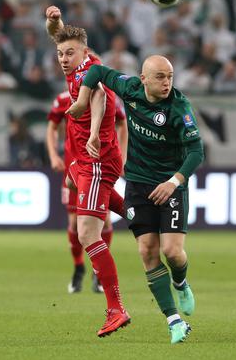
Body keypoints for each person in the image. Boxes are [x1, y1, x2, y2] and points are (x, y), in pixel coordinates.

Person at [67, 55, 204, 344]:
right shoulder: (129, 88)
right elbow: (97, 72)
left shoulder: (179, 108)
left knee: (173, 252)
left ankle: (180, 281)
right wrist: (81, 101)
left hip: (170, 185)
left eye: (169, 76)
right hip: (138, 184)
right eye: (159, 77)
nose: (166, 83)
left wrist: (174, 181)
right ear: (143, 79)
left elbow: (196, 152)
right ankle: (173, 320)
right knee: (147, 251)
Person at [44, 5, 130, 337]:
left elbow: (100, 101)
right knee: (73, 181)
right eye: (60, 54)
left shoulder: (91, 70)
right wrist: (55, 23)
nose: (63, 58)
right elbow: (61, 38)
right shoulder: (76, 61)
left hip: (96, 159)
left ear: (85, 52)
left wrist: (93, 132)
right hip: (81, 161)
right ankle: (142, 215)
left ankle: (115, 309)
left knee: (87, 234)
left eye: (69, 54)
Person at [46, 90, 127, 294]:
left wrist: (123, 157)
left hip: (99, 166)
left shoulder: (107, 97)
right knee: (74, 222)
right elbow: (52, 127)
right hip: (73, 168)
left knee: (105, 220)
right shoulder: (64, 98)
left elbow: (122, 123)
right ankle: (78, 266)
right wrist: (53, 155)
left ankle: (98, 272)